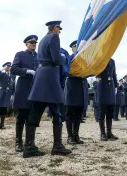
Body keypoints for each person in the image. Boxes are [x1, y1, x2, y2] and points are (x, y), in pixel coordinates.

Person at [23, 20, 71, 158]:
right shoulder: (54, 37)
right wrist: (63, 57)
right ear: (55, 28)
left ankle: (29, 147)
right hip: (50, 77)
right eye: (59, 28)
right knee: (57, 111)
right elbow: (56, 59)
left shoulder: (43, 39)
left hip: (41, 77)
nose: (60, 31)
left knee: (36, 111)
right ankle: (57, 146)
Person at [10, 34, 38, 152]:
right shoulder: (20, 55)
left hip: (36, 90)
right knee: (21, 117)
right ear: (26, 44)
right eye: (31, 42)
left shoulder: (39, 56)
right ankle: (18, 142)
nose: (33, 44)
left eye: (35, 43)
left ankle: (30, 142)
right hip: (23, 89)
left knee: (32, 118)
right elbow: (13, 69)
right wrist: (27, 71)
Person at [64, 40, 86, 144]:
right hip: (71, 88)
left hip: (81, 87)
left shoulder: (83, 59)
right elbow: (65, 72)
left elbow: (89, 71)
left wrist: (86, 74)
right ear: (72, 48)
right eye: (75, 47)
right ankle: (70, 136)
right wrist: (77, 74)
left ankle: (76, 135)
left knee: (78, 114)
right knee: (69, 113)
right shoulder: (69, 58)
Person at [96, 58, 119, 141]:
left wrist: (115, 86)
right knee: (102, 111)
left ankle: (109, 133)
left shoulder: (112, 61)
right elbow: (96, 73)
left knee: (110, 111)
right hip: (102, 86)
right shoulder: (99, 59)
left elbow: (114, 74)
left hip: (111, 87)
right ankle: (102, 133)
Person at [0, 62, 15, 130]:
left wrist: (13, 93)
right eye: (7, 66)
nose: (9, 67)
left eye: (9, 66)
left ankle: (2, 125)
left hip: (8, 93)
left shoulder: (12, 75)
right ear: (5, 67)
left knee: (4, 109)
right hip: (2, 92)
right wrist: (1, 69)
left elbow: (13, 84)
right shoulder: (1, 74)